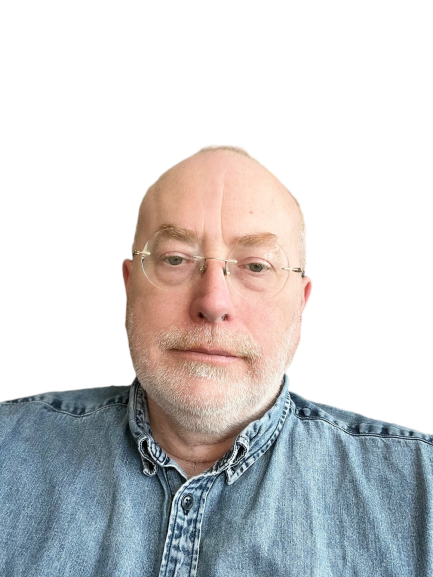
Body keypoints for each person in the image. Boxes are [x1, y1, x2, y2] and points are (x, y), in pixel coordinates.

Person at [0, 144, 431, 577]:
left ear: (301, 303)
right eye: (175, 259)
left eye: (256, 267)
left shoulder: (421, 491)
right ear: (129, 286)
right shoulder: (7, 448)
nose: (212, 302)